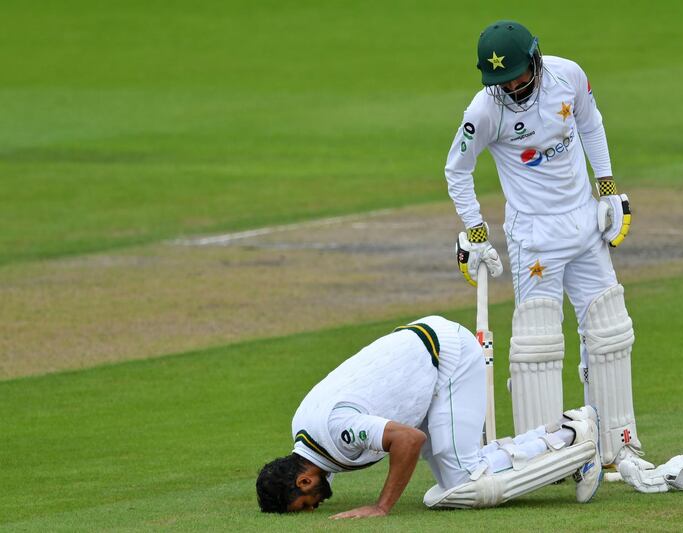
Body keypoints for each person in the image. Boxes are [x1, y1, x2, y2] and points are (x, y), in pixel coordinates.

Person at [448, 20, 649, 469]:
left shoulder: (568, 76)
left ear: (536, 59)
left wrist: (609, 187)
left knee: (610, 332)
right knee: (538, 346)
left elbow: (592, 125)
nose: (514, 86)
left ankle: (619, 446)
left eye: (519, 75)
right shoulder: (484, 110)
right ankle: (546, 460)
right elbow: (456, 171)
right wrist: (477, 233)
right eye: (503, 81)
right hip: (534, 236)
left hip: (584, 223)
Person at [256, 315, 602, 517]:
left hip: (446, 356)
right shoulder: (303, 429)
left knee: (464, 483)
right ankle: (557, 435)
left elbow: (409, 439)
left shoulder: (335, 430)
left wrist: (382, 506)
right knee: (456, 483)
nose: (312, 509)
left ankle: (573, 439)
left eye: (304, 506)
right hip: (418, 369)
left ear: (304, 481)